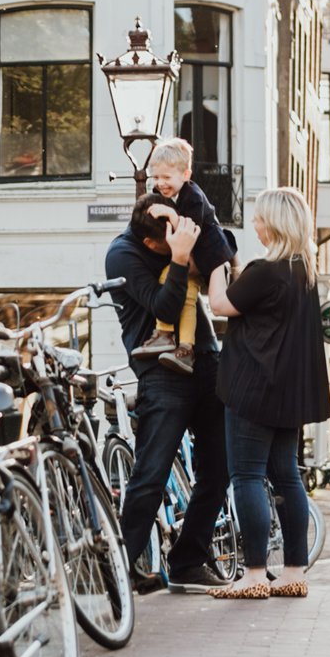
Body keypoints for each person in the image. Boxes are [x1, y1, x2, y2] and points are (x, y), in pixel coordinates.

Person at [205, 187, 330, 600]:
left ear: (274, 223)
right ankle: (294, 571)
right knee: (287, 477)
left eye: (259, 218)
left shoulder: (266, 270)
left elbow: (220, 304)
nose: (255, 225)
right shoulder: (303, 272)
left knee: (246, 476)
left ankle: (255, 574)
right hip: (288, 393)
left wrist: (216, 260)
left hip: (253, 389)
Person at [106, 192, 231, 594]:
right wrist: (179, 259)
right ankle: (120, 571)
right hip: (161, 373)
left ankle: (187, 560)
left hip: (205, 361)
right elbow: (165, 305)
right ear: (150, 242)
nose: (180, 241)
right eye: (170, 241)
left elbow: (222, 248)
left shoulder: (177, 229)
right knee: (151, 475)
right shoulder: (122, 255)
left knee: (220, 468)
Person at [129, 138, 239, 375]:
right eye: (156, 177)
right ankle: (185, 348)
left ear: (186, 175)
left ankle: (165, 334)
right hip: (194, 256)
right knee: (188, 297)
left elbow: (192, 232)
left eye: (166, 177)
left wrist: (171, 215)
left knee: (167, 277)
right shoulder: (165, 192)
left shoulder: (193, 197)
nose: (160, 183)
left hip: (207, 257)